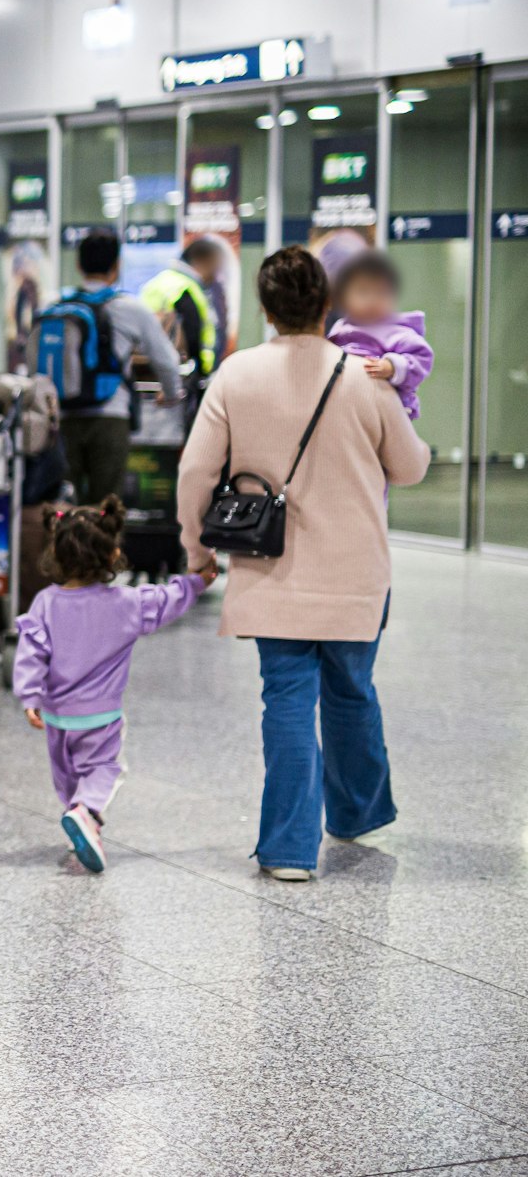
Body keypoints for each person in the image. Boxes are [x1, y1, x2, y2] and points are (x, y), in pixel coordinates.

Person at [176, 246, 431, 882]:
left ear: (265, 309)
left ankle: (290, 850)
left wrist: (196, 550)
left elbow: (194, 473)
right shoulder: (362, 374)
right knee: (351, 691)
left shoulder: (236, 375)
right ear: (326, 305)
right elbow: (411, 466)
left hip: (273, 572)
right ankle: (357, 813)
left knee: (287, 699)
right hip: (357, 575)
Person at [13, 496, 216, 873]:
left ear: (56, 554)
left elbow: (30, 651)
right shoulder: (126, 602)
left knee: (68, 777)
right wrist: (197, 582)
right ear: (112, 555)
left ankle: (80, 817)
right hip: (100, 716)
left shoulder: (45, 602)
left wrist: (30, 695)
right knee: (106, 768)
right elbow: (167, 599)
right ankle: (86, 814)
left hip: (57, 718)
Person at [61, 229, 185, 505]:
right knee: (106, 507)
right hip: (110, 417)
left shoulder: (59, 308)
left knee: (66, 505)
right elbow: (166, 359)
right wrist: (172, 393)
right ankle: (102, 549)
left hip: (65, 418)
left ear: (79, 265)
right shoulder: (129, 308)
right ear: (116, 267)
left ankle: (66, 548)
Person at [328, 251, 433, 422]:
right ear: (344, 298)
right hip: (349, 407)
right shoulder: (340, 328)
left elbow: (422, 357)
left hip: (388, 409)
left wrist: (392, 366)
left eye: (382, 293)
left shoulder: (397, 331)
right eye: (363, 292)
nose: (372, 301)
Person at [140, 237, 224, 376]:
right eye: (214, 268)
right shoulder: (184, 289)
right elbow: (192, 334)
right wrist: (200, 372)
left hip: (146, 370)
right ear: (201, 261)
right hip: (180, 374)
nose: (214, 276)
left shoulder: (158, 282)